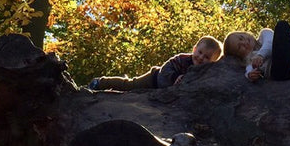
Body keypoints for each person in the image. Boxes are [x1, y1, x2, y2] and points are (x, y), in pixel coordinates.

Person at [89, 35, 223, 91]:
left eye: (206, 57)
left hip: (164, 93)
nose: (200, 58)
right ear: (194, 49)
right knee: (130, 85)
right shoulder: (182, 59)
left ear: (213, 62)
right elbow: (166, 70)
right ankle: (101, 82)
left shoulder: (205, 73)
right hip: (155, 78)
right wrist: (174, 79)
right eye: (199, 52)